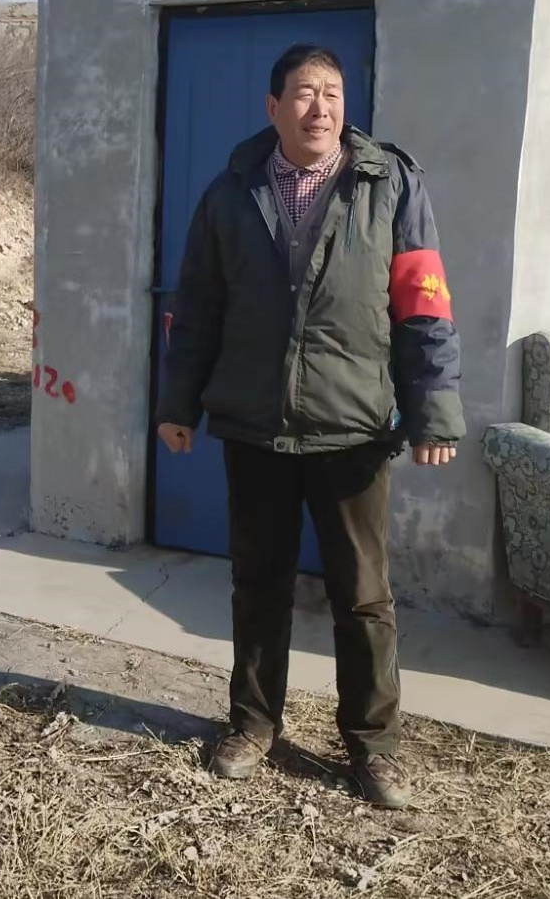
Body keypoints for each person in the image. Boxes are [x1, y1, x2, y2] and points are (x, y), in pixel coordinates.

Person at [155, 44, 463, 810]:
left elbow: (424, 305)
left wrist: (433, 408)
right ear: (273, 107)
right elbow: (197, 308)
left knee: (363, 595)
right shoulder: (232, 192)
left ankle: (373, 746)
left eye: (331, 91)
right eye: (302, 92)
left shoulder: (390, 185)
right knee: (258, 584)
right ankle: (253, 724)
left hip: (352, 428)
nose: (319, 107)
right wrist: (176, 404)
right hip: (256, 426)